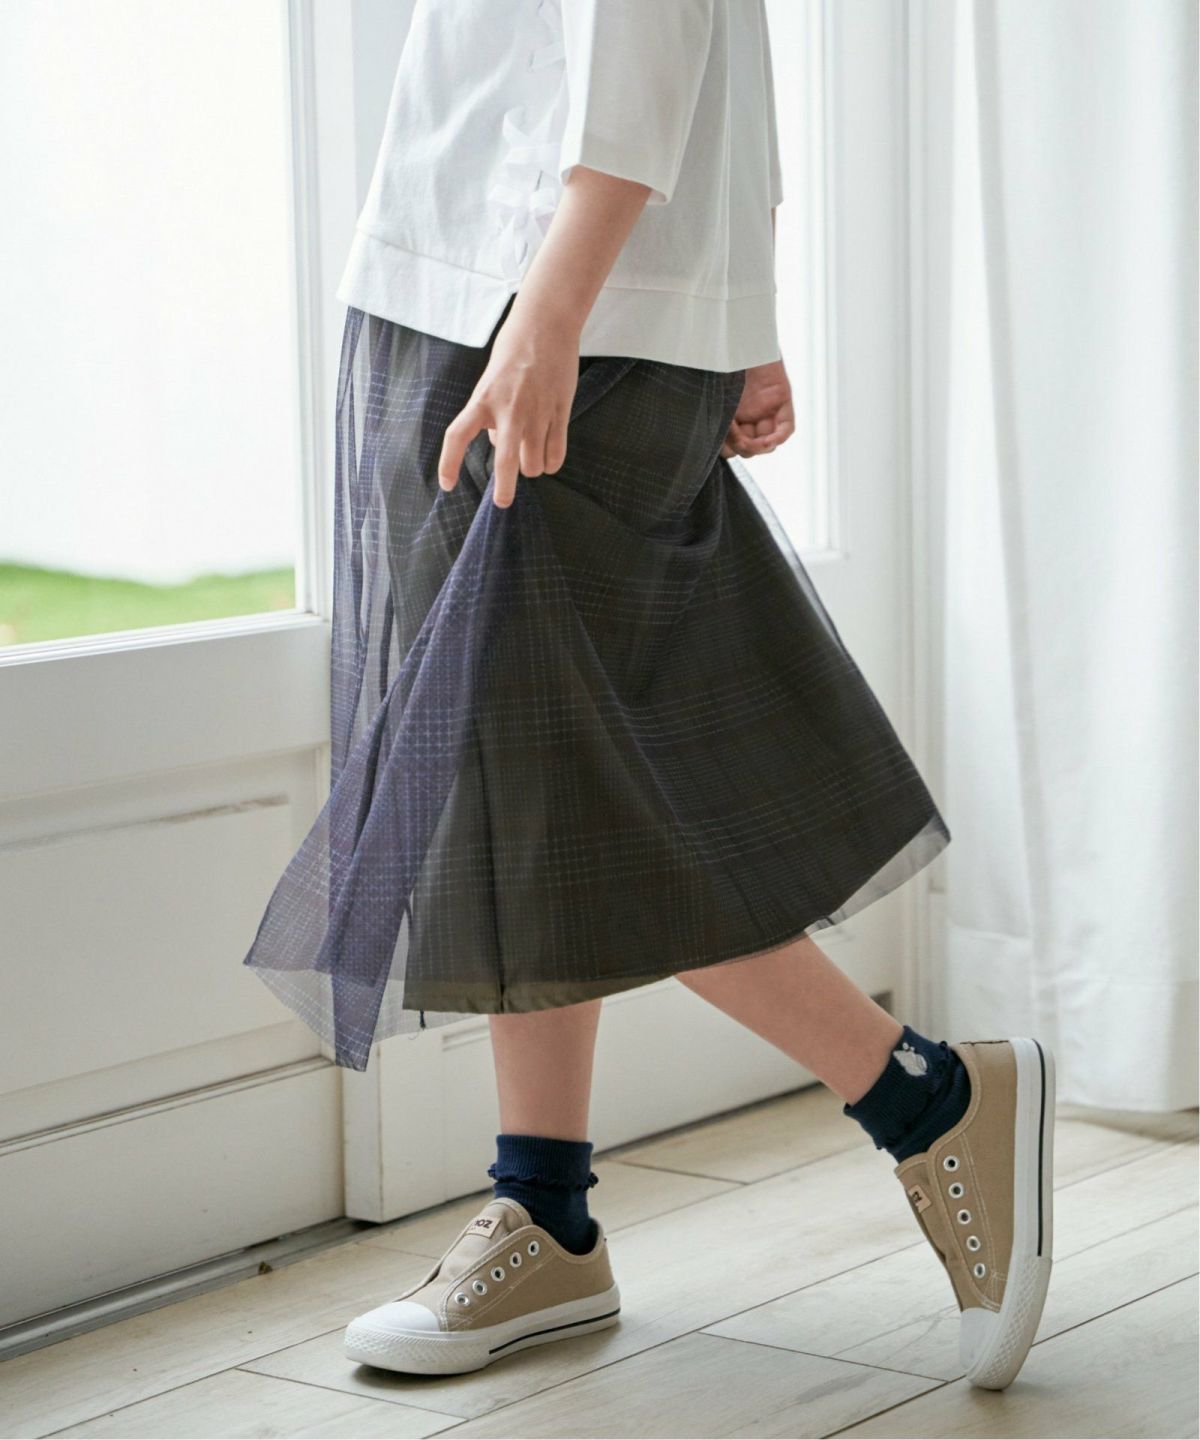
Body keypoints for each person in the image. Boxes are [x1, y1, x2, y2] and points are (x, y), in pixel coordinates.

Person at [243, 0, 1055, 1393]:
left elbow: (650, 33)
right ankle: (547, 1213)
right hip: (501, 274)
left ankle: (930, 1101)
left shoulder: (547, 301)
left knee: (568, 781)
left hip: (536, 291)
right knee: (532, 783)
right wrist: (736, 301)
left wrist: (555, 310)